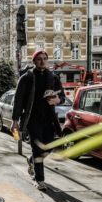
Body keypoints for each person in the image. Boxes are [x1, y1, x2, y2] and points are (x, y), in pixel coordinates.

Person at [11, 49, 64, 191]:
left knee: (50, 146)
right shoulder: (26, 78)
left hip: (49, 120)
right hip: (32, 120)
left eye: (45, 58)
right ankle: (39, 179)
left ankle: (31, 160)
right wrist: (15, 120)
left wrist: (57, 99)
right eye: (39, 58)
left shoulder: (53, 77)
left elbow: (62, 97)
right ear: (34, 61)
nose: (42, 61)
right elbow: (18, 100)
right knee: (38, 148)